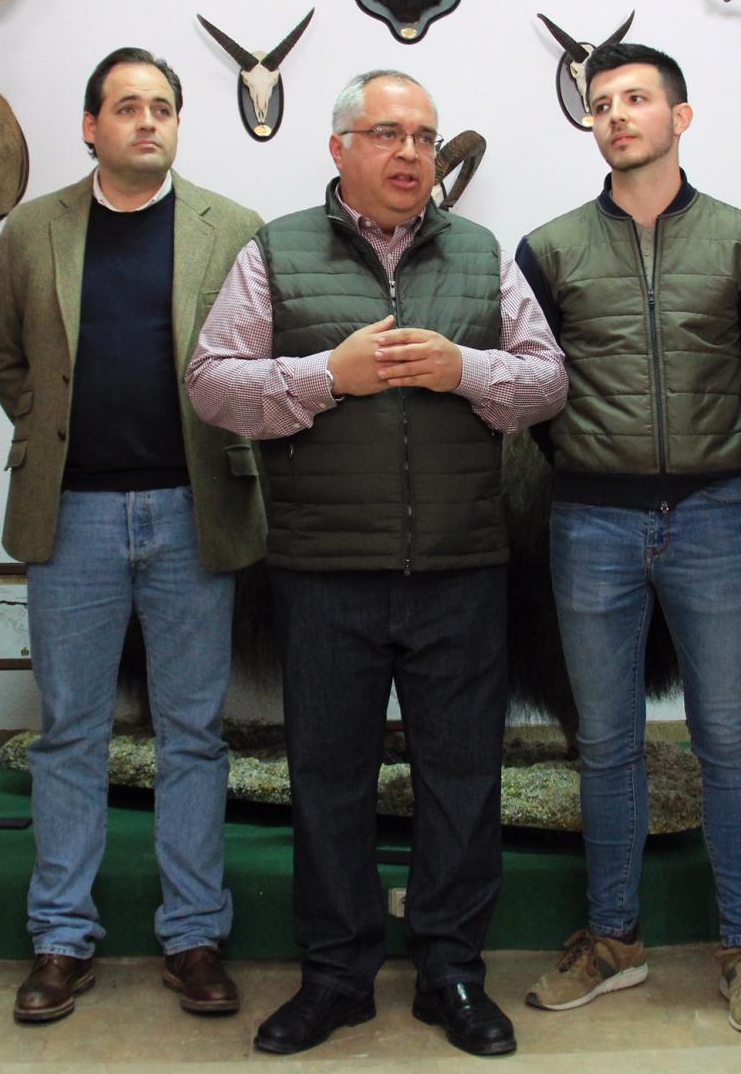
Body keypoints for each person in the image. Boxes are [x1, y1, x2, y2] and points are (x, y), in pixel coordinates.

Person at [187, 69, 566, 1058]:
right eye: (387, 133)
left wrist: (463, 369)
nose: (410, 153)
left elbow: (547, 382)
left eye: (425, 137)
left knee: (462, 780)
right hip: (322, 571)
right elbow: (212, 383)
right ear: (339, 148)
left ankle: (450, 971)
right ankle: (335, 976)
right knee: (328, 781)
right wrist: (328, 376)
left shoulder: (481, 252)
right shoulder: (275, 251)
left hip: (461, 567)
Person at [0, 47, 263, 1022]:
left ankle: (193, 934)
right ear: (90, 127)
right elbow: (9, 362)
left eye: (162, 107)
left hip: (194, 510)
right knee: (70, 732)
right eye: (127, 106)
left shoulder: (232, 229)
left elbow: (257, 359)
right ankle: (61, 937)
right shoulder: (31, 231)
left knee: (192, 733)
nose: (147, 121)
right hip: (74, 517)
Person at [514, 41, 741, 1031]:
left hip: (712, 516)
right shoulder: (547, 249)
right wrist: (586, 464)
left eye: (636, 97)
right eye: (601, 103)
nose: (617, 114)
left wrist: (717, 461)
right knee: (604, 743)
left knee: (726, 737)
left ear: (680, 115)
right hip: (588, 521)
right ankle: (613, 938)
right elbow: (535, 388)